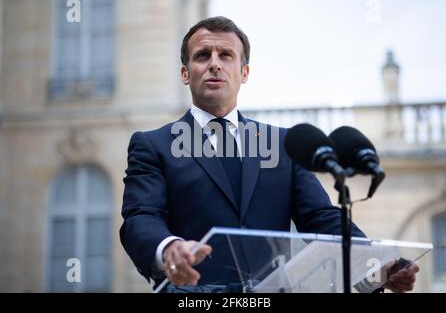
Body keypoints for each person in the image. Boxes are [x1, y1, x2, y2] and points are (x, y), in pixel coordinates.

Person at [120, 16, 419, 293]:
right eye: (202, 55)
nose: (214, 64)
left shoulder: (284, 144)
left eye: (226, 55)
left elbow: (320, 218)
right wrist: (168, 248)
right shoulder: (153, 145)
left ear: (244, 72)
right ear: (185, 73)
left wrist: (377, 264)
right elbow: (140, 218)